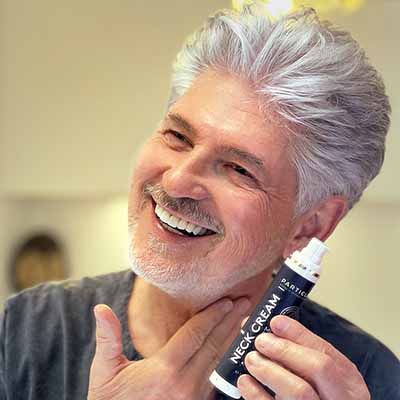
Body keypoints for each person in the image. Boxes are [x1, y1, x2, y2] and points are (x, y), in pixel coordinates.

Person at [1, 3, 399, 400]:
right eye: (177, 137)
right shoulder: (24, 332)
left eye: (239, 170)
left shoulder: (368, 381)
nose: (176, 181)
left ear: (309, 226)